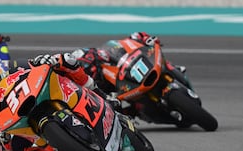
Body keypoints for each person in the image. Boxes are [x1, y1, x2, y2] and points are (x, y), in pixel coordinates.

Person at [31, 32, 188, 115]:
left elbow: (132, 40)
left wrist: (146, 39)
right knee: (132, 110)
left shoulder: (105, 55)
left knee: (161, 60)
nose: (89, 71)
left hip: (135, 76)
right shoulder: (89, 84)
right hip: (125, 93)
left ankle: (173, 69)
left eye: (89, 67)